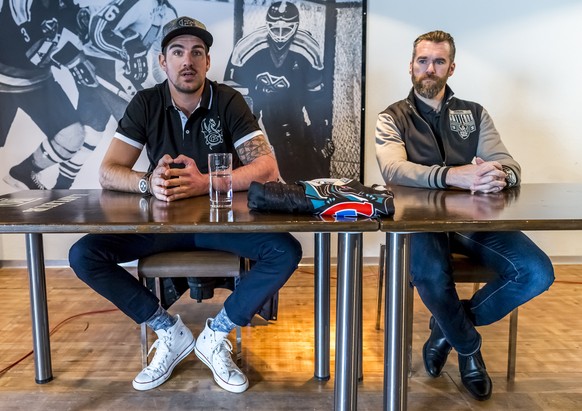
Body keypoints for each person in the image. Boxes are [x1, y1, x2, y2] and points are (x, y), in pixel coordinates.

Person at [68, 16, 302, 393]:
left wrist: (204, 183)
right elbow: (109, 171)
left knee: (286, 249)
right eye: (177, 52)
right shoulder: (146, 102)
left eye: (197, 52)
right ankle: (167, 331)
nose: (187, 61)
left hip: (222, 226)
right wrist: (149, 182)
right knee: (83, 254)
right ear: (163, 61)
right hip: (161, 229)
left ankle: (216, 335)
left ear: (208, 62)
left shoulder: (228, 99)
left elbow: (268, 169)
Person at [374, 30, 554, 401]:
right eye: (423, 61)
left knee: (537, 272)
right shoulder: (391, 118)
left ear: (451, 68)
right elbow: (395, 170)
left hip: (473, 223)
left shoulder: (474, 114)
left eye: (439, 62)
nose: (430, 69)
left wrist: (501, 175)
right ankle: (470, 350)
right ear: (411, 66)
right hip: (417, 223)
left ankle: (445, 330)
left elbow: (507, 161)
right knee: (430, 276)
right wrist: (452, 175)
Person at [224, 1, 334, 183]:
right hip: (253, 97)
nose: (280, 35)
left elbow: (315, 96)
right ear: (267, 25)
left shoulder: (309, 48)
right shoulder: (246, 48)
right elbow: (233, 95)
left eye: (286, 29)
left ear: (296, 27)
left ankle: (299, 184)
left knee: (295, 146)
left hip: (290, 103)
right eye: (275, 29)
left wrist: (319, 129)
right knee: (238, 141)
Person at [1, 0, 85, 190]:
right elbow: (34, 48)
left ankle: (23, 173)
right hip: (3, 81)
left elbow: (75, 25)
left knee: (72, 135)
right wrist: (76, 59)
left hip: (38, 80)